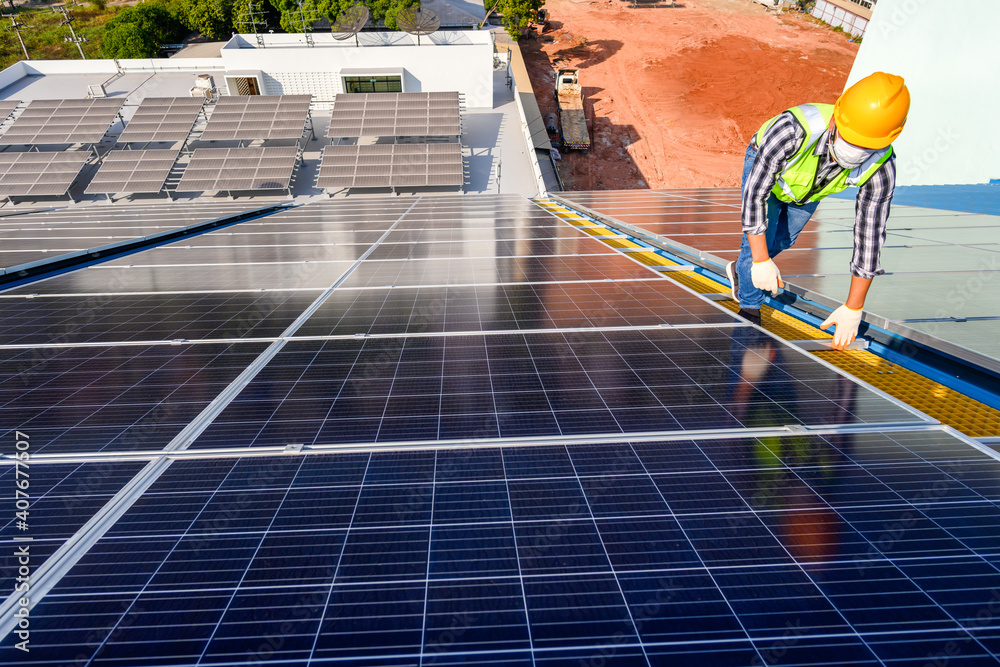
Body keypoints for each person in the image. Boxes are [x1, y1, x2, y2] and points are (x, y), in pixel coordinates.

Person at [726, 72, 910, 350]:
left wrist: (853, 307)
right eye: (850, 139)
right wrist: (761, 260)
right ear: (836, 119)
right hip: (770, 171)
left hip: (810, 188)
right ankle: (750, 310)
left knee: (783, 240)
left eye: (867, 146)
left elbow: (869, 235)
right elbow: (755, 197)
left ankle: (741, 268)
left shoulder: (881, 167)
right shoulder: (792, 130)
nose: (856, 151)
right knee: (759, 246)